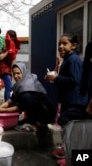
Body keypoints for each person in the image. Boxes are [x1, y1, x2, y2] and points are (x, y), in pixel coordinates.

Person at [44, 34, 88, 166]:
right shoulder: (68, 60)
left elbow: (75, 81)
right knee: (66, 129)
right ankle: (65, 149)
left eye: (64, 43)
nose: (61, 46)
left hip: (75, 102)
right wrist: (53, 78)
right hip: (68, 100)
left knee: (72, 131)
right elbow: (66, 81)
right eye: (59, 44)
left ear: (73, 46)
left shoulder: (74, 60)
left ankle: (70, 157)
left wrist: (56, 78)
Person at [0, 62, 56, 129]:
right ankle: (32, 121)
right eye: (14, 74)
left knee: (26, 99)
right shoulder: (20, 85)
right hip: (38, 113)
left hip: (46, 114)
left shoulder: (27, 86)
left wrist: (3, 110)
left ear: (23, 72)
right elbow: (12, 100)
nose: (15, 76)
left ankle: (38, 123)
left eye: (18, 73)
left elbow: (19, 107)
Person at [0, 30, 21, 101]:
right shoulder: (4, 46)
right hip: (4, 69)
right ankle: (7, 102)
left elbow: (13, 59)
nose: (13, 39)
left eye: (14, 37)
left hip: (9, 69)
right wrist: (8, 51)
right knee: (9, 86)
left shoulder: (12, 45)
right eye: (12, 37)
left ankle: (7, 102)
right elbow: (1, 57)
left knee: (8, 87)